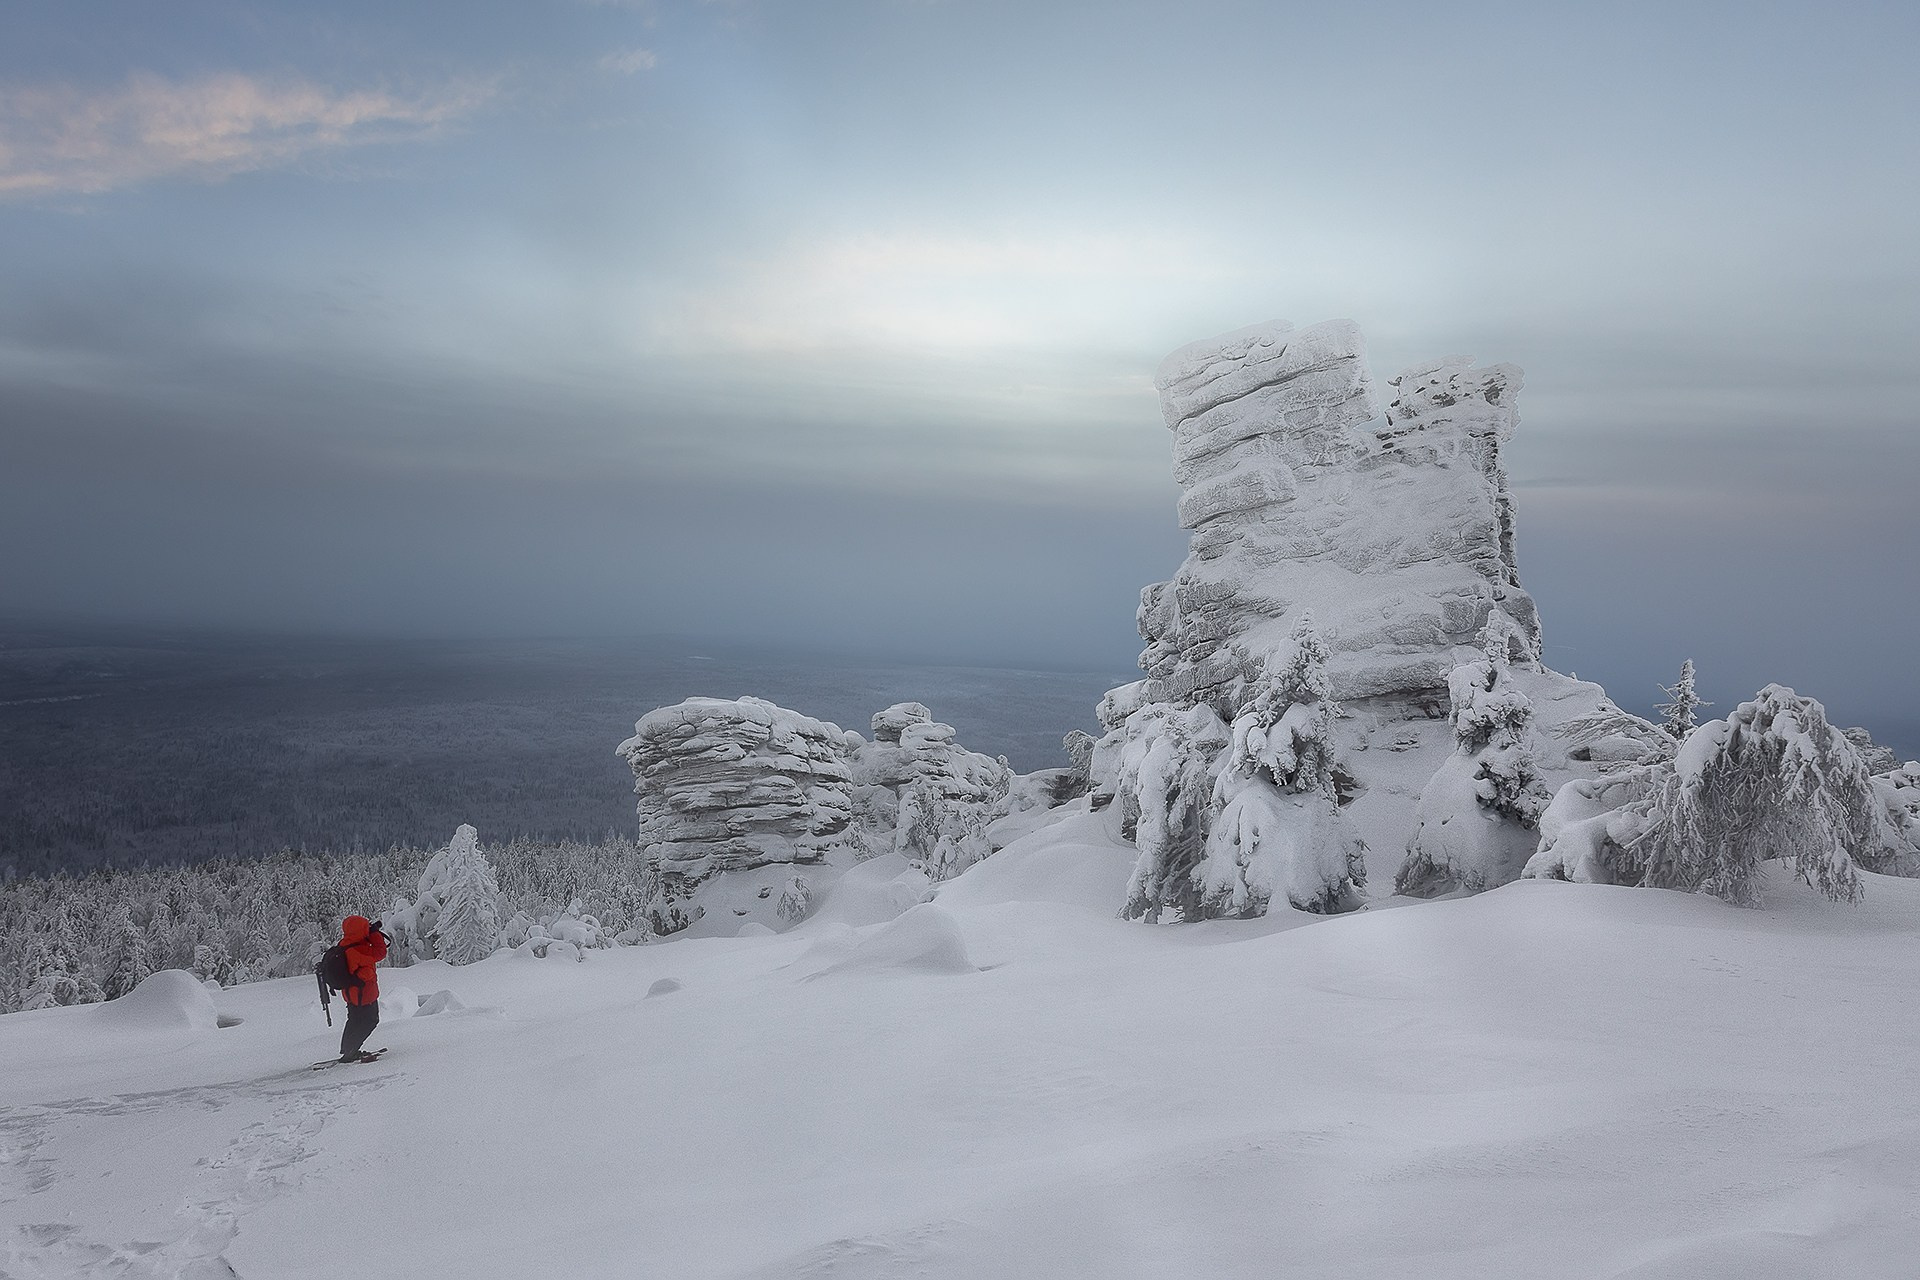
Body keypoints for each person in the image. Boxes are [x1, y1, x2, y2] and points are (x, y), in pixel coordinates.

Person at [337, 914, 389, 1062]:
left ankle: (348, 1049)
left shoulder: (345, 945)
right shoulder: (360, 950)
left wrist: (368, 934)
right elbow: (380, 952)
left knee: (354, 1020)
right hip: (364, 994)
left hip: (351, 994)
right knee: (370, 1021)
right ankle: (351, 1051)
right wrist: (374, 934)